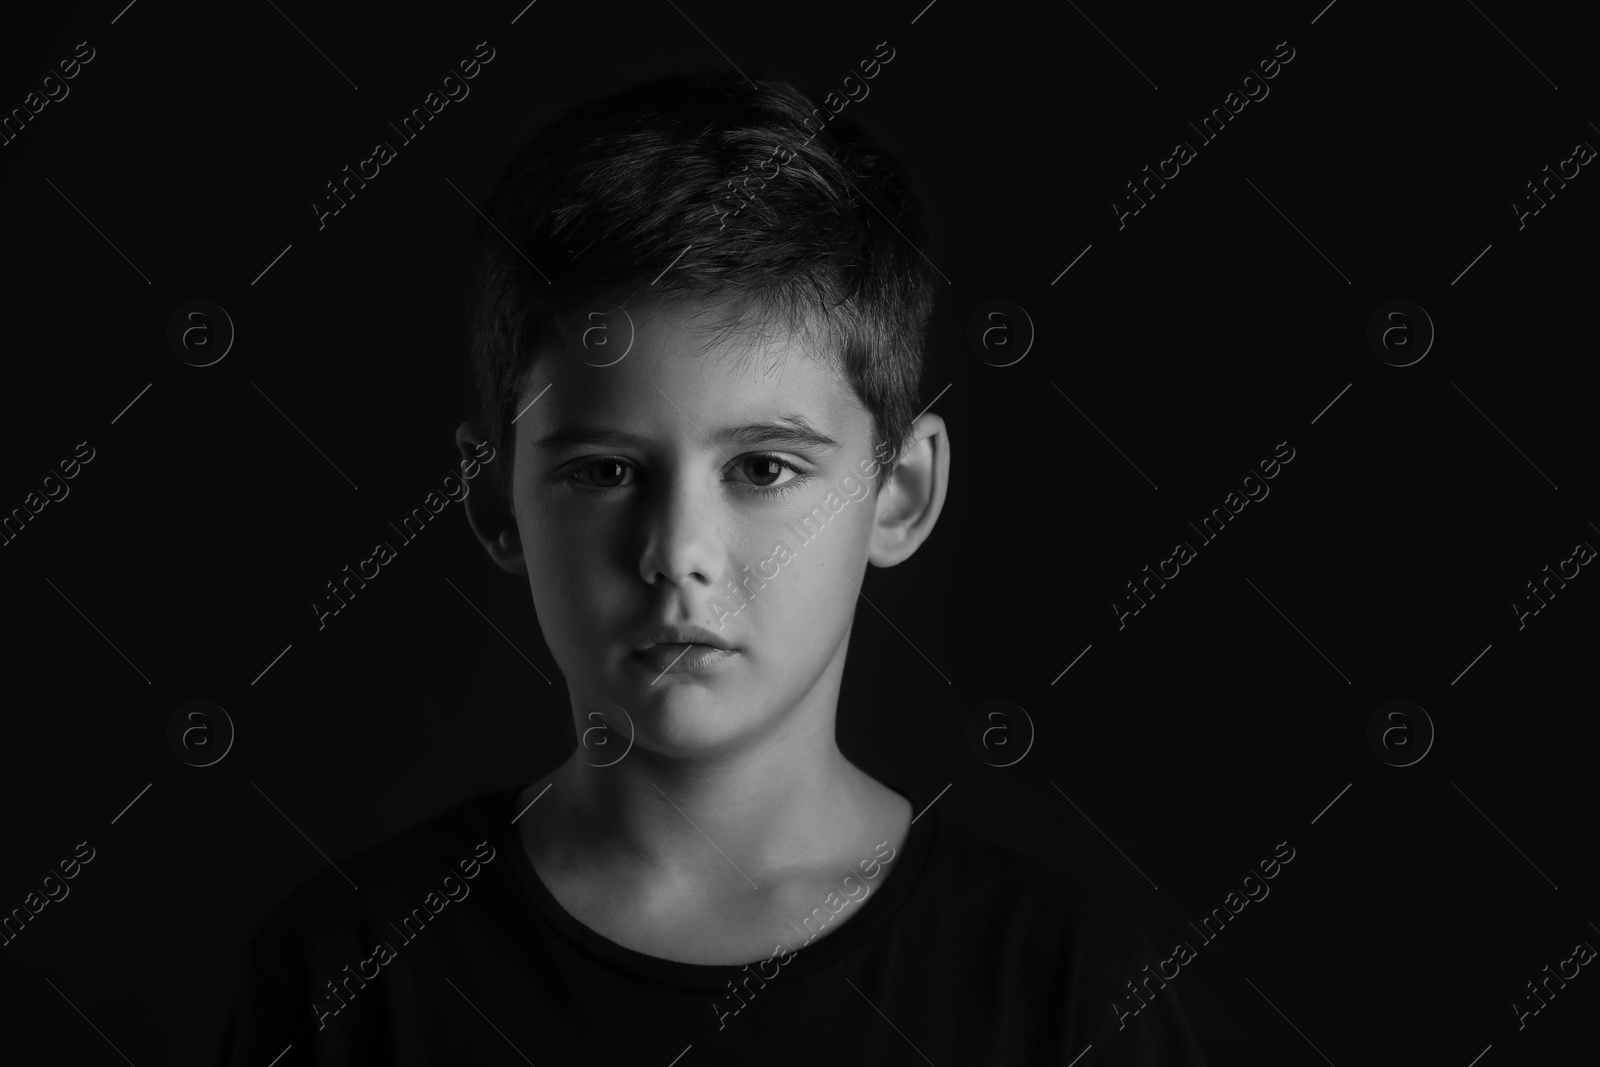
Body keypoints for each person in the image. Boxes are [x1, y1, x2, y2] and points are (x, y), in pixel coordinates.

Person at [217, 71, 1207, 1065]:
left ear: (898, 490)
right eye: (604, 470)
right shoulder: (348, 973)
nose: (675, 552)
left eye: (764, 467)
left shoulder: (1066, 990)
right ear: (493, 496)